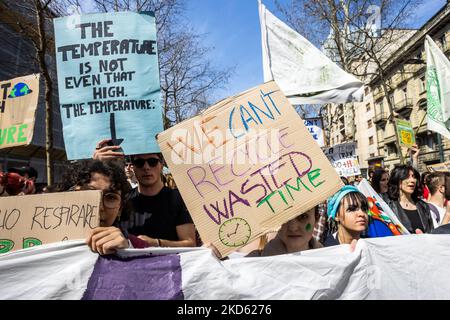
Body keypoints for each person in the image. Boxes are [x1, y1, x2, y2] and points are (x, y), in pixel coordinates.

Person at [93, 139, 196, 248]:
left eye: (152, 162)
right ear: (133, 167)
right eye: (139, 163)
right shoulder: (122, 200)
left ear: (161, 165)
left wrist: (156, 243)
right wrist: (97, 166)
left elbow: (190, 243)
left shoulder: (178, 198)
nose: (146, 167)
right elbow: (96, 222)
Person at [60, 159, 149, 255]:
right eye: (90, 194)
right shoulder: (44, 241)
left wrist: (128, 253)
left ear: (120, 208)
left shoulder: (140, 249)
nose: (100, 207)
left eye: (111, 197)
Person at [246, 207, 323, 257]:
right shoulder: (249, 267)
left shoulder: (330, 263)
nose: (293, 228)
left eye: (303, 216)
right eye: (284, 217)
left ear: (316, 219)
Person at [386, 165, 433, 234]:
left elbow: (432, 232)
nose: (412, 180)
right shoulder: (387, 204)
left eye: (414, 177)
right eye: (407, 177)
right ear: (397, 180)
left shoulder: (423, 206)